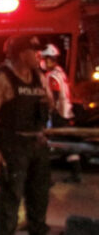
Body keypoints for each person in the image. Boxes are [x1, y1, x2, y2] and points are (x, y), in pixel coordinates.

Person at [0, 35, 69, 235]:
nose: (38, 55)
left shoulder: (39, 77)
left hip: (37, 145)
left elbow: (49, 105)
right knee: (11, 198)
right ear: (22, 54)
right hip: (13, 145)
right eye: (34, 51)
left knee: (39, 197)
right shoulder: (3, 78)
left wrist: (49, 105)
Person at [40, 43, 82, 183]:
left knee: (49, 144)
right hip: (66, 113)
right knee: (68, 144)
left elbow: (55, 96)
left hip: (58, 115)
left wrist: (49, 112)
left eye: (45, 59)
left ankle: (45, 177)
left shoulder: (52, 76)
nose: (43, 62)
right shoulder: (61, 73)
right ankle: (76, 173)